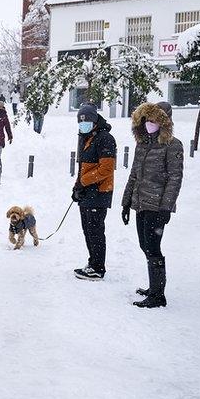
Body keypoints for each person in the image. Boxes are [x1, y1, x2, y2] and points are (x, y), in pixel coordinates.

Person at [122, 102, 183, 308]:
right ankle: (154, 287)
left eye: (155, 120)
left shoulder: (173, 145)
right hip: (141, 203)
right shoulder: (142, 143)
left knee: (153, 247)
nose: (150, 123)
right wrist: (126, 202)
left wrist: (166, 208)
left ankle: (158, 295)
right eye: (147, 119)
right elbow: (134, 174)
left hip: (157, 206)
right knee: (144, 245)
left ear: (164, 122)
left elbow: (175, 178)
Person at [72, 103, 117, 281]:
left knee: (95, 230)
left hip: (99, 192)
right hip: (86, 192)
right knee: (87, 229)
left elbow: (106, 169)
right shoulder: (86, 137)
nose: (83, 125)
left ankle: (98, 267)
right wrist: (77, 186)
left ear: (95, 121)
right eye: (80, 122)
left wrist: (83, 182)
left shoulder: (105, 138)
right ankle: (92, 263)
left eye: (87, 121)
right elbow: (83, 166)